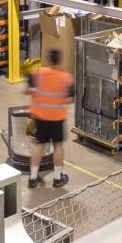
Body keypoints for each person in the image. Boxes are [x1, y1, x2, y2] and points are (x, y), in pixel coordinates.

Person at [26, 48, 74, 189]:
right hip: (57, 118)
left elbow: (25, 89)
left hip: (41, 116)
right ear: (60, 60)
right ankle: (58, 178)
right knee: (58, 146)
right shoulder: (66, 77)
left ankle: (33, 177)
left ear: (48, 59)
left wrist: (35, 93)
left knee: (39, 145)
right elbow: (70, 99)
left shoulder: (38, 74)